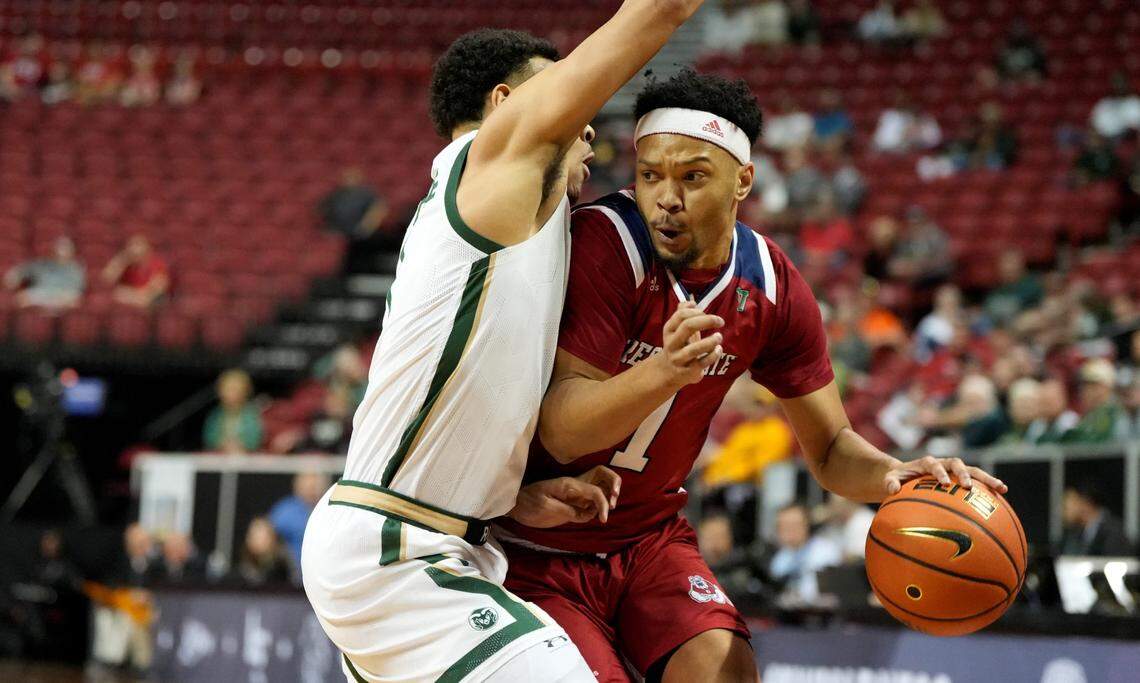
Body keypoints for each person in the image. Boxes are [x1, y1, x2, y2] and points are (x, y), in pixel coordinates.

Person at [497, 69, 1005, 683]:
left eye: (692, 177)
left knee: (729, 670)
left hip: (648, 539)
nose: (666, 198)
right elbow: (562, 432)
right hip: (535, 542)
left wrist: (895, 478)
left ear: (743, 181)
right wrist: (665, 372)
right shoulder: (605, 242)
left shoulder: (770, 284)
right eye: (650, 173)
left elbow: (832, 448)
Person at [301, 7, 707, 682]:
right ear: (506, 103)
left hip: (439, 540)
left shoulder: (515, 216)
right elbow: (654, 12)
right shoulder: (489, 160)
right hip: (398, 552)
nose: (585, 125)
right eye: (563, 96)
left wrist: (508, 493)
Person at [768, 503, 841, 602]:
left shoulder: (826, 551)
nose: (789, 531)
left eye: (794, 525)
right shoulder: (780, 559)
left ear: (807, 525)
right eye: (784, 526)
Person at [3, 236, 85, 311]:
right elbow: (24, 270)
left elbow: (75, 292)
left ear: (70, 253)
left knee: (73, 302)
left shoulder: (75, 270)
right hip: (42, 294)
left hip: (62, 297)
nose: (60, 255)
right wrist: (14, 276)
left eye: (64, 253)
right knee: (21, 298)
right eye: (58, 252)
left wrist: (58, 299)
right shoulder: (43, 264)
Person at [269, 471, 330, 566]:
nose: (311, 491)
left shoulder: (330, 511)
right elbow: (269, 539)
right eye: (308, 487)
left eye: (314, 487)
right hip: (291, 570)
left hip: (323, 566)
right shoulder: (285, 511)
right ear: (297, 486)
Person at [1063, 359, 1131, 443]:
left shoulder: (1114, 414)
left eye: (1093, 386)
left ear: (1107, 388)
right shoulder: (1087, 416)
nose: (1087, 391)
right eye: (1084, 386)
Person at [1059, 482, 1134, 556]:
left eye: (1066, 507)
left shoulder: (1114, 533)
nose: (1063, 512)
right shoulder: (1075, 534)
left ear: (1084, 502)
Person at [202, 369, 263, 453]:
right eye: (227, 390)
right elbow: (210, 437)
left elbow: (255, 437)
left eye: (234, 390)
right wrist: (222, 444)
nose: (230, 394)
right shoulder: (215, 415)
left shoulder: (251, 414)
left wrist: (241, 445)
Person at [317, 167, 389, 239]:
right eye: (347, 177)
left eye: (352, 177)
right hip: (338, 231)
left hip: (358, 231)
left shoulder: (367, 194)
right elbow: (322, 208)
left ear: (359, 179)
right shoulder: (337, 193)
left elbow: (379, 209)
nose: (349, 180)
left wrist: (366, 227)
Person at [101, 235, 170, 308]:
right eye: (131, 246)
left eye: (138, 245)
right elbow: (106, 280)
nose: (135, 250)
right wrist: (122, 259)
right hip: (128, 304)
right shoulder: (126, 264)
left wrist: (130, 294)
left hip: (150, 304)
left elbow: (155, 291)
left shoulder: (157, 264)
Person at [236, 517, 296, 586]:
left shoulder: (282, 571)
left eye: (266, 536)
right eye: (257, 536)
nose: (261, 541)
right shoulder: (239, 577)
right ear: (248, 540)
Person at [1090, 72, 1140, 140]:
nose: (1119, 86)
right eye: (1116, 82)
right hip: (1106, 140)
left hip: (1129, 140)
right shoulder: (1104, 103)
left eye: (1121, 82)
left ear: (1127, 83)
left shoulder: (1135, 102)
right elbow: (1094, 125)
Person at [996, 19, 1047, 83]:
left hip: (1029, 78)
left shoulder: (1033, 46)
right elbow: (1000, 68)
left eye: (1021, 30)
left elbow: (1041, 68)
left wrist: (1028, 74)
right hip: (1011, 78)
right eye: (1016, 30)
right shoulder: (1006, 46)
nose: (1018, 32)